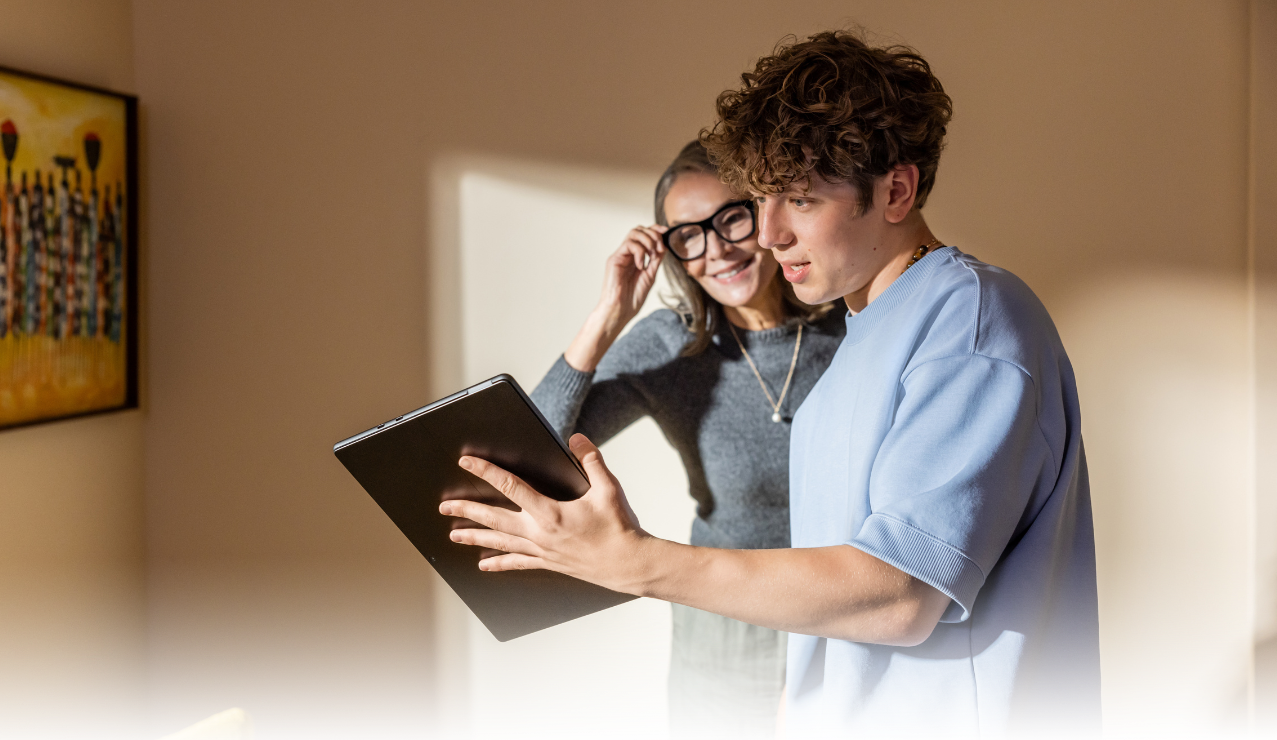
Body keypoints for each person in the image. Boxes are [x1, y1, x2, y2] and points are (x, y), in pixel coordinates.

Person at [442, 30, 1101, 739]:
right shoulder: (861, 337)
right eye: (760, 200)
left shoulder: (970, 321)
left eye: (799, 201)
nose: (769, 232)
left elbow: (898, 595)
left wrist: (636, 562)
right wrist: (801, 706)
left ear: (897, 190)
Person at [528, 140, 845, 739]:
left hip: (843, 609)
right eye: (688, 236)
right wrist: (606, 318)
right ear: (672, 252)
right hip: (726, 630)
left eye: (731, 217)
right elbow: (536, 452)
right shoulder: (672, 344)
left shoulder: (849, 322)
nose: (716, 250)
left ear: (766, 211)